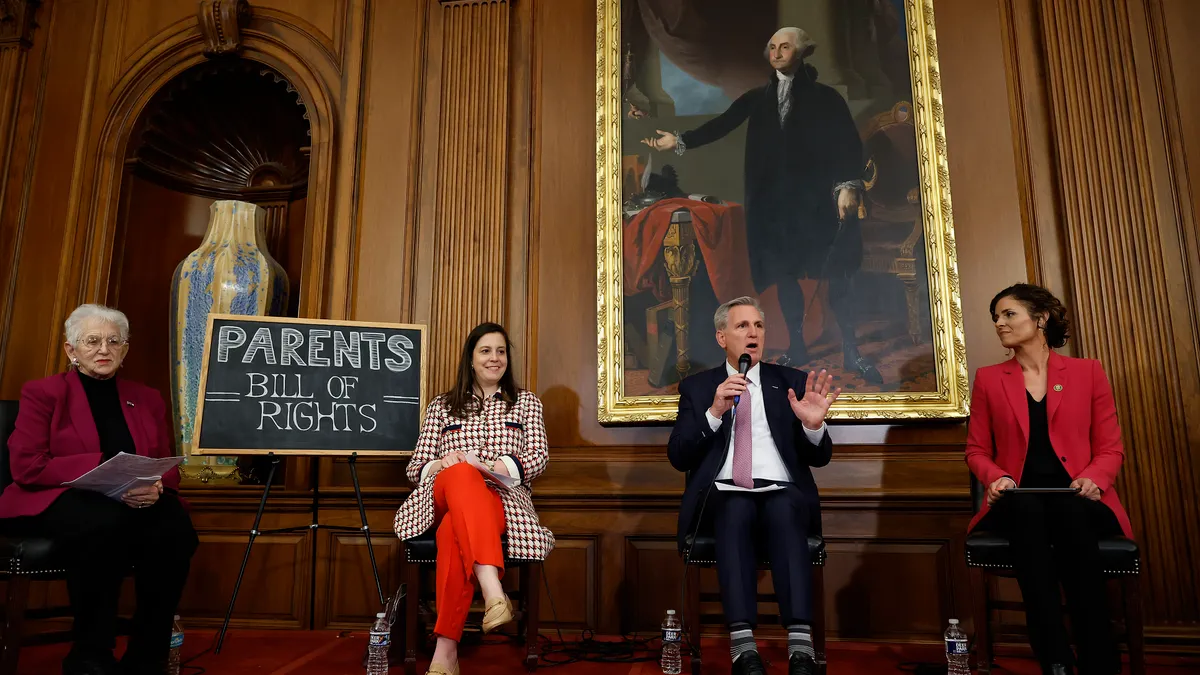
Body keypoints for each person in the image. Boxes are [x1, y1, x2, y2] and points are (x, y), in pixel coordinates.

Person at [642, 27, 881, 384]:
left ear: (802, 52)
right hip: (776, 209)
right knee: (785, 275)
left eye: (785, 46)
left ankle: (851, 349)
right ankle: (797, 346)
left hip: (818, 204)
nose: (776, 52)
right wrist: (678, 140)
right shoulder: (758, 97)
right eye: (772, 46)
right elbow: (722, 124)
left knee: (837, 274)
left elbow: (848, 144)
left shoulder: (827, 98)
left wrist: (849, 186)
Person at [0, 304, 197, 675]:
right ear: (71, 350)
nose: (103, 350)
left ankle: (147, 656)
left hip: (130, 498)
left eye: (113, 341)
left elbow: (164, 464)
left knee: (173, 525)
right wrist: (102, 466)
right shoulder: (43, 393)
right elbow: (27, 465)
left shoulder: (148, 397)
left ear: (125, 349)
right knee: (102, 523)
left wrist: (155, 487)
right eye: (91, 341)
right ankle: (91, 654)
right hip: (58, 498)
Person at [965, 284, 1133, 675]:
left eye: (1008, 314)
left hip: (1078, 497)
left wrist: (1093, 478)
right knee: (1026, 512)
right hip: (1018, 499)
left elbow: (1111, 448)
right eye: (995, 317)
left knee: (1070, 515)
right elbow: (976, 451)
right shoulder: (990, 379)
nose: (999, 323)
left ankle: (1098, 660)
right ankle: (1055, 658)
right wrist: (997, 477)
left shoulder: (1087, 372)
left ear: (1040, 319)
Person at [668, 296, 841, 675]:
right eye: (742, 326)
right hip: (726, 492)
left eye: (759, 326)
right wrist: (714, 412)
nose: (753, 333)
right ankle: (743, 650)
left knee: (783, 508)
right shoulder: (698, 388)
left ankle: (801, 649)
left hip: (782, 490)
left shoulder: (792, 383)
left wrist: (813, 426)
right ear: (721, 337)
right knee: (735, 507)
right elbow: (679, 455)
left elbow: (820, 457)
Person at [392, 322, 553, 675]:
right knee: (462, 472)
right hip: (441, 496)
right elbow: (414, 467)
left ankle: (446, 652)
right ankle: (492, 587)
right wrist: (441, 463)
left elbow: (539, 456)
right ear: (470, 359)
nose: (494, 358)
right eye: (485, 351)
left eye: (500, 351)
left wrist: (500, 464)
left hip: (500, 499)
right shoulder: (441, 406)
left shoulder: (525, 403)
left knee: (453, 530)